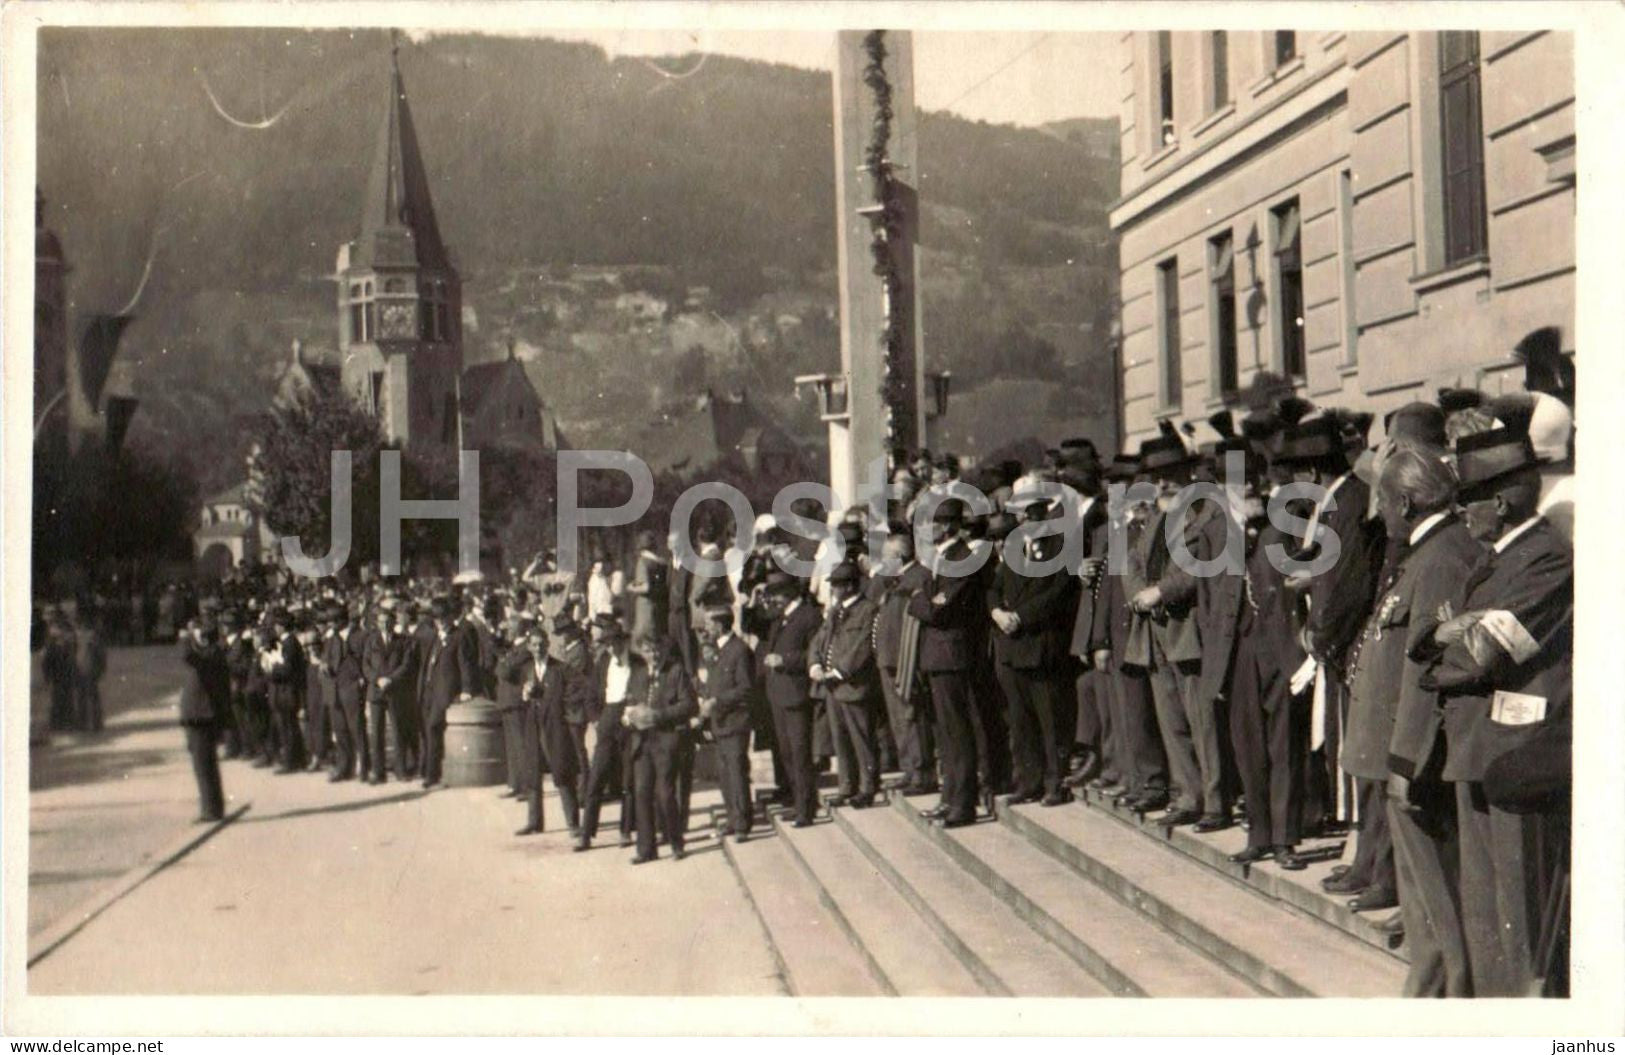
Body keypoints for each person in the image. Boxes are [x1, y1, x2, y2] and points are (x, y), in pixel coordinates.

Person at [1411, 427, 1573, 996]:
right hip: (1476, 747)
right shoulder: (1498, 559)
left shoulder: (1546, 559)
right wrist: (1441, 638)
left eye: (1467, 501)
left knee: (1520, 922)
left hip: (1512, 755)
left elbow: (1482, 654)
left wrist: (1437, 652)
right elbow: (1437, 630)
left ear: (1499, 503)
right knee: (1486, 920)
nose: (1461, 514)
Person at [1347, 446, 1482, 996]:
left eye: (1382, 500)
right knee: (1423, 901)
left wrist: (1406, 761)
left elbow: (1429, 670)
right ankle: (1426, 995)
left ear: (1404, 500)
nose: (1378, 513)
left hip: (1415, 760)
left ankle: (1453, 1001)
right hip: (1400, 754)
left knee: (1440, 901)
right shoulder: (1425, 554)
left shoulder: (1442, 558)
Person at [1124, 431, 1229, 832]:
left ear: (1186, 473)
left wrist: (1160, 591)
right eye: (1156, 476)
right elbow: (1132, 560)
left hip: (1189, 628)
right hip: (1154, 629)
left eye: (1168, 474)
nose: (1162, 482)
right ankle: (1188, 794)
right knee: (1172, 719)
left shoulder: (1207, 511)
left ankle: (1215, 802)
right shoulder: (1155, 516)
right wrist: (1139, 594)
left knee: (1202, 720)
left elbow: (1200, 566)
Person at [990, 495, 1080, 807]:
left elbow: (1059, 591)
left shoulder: (1061, 547)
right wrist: (997, 613)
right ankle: (1028, 781)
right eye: (1024, 516)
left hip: (1042, 645)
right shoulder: (1012, 550)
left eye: (1035, 514)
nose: (1029, 521)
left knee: (1050, 720)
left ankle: (1055, 782)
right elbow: (994, 587)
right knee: (1021, 720)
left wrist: (1021, 617)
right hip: (1012, 647)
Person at [908, 499, 985, 829]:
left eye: (934, 523)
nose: (928, 529)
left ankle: (963, 804)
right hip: (937, 654)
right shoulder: (940, 558)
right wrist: (925, 601)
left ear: (950, 525)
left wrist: (922, 602)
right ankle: (950, 796)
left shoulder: (962, 557)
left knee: (957, 730)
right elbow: (926, 600)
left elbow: (942, 608)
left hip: (952, 653)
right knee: (946, 732)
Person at [867, 529, 938, 796]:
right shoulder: (893, 579)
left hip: (905, 659)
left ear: (898, 556)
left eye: (887, 556)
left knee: (911, 716)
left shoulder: (919, 577)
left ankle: (922, 773)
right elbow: (873, 598)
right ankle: (909, 769)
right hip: (888, 656)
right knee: (898, 718)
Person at [809, 562, 882, 808]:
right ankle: (847, 786)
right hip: (832, 688)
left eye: (838, 585)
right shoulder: (834, 612)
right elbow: (819, 641)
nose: (834, 590)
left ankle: (867, 786)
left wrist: (838, 671)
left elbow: (863, 648)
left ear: (850, 586)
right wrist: (815, 665)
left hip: (853, 685)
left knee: (861, 738)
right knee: (840, 740)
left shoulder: (868, 610)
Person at [576, 616, 646, 852]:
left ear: (624, 642)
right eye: (608, 644)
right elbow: (590, 696)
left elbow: (644, 691)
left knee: (628, 779)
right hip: (607, 720)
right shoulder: (603, 663)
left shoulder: (637, 664)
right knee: (596, 778)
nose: (613, 648)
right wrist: (597, 720)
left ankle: (626, 831)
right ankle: (586, 835)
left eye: (616, 643)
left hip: (628, 721)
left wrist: (634, 710)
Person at [625, 639, 698, 863]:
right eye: (647, 650)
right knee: (641, 792)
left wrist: (659, 715)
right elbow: (628, 701)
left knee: (665, 794)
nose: (653, 655)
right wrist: (628, 716)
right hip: (641, 740)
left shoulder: (675, 672)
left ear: (663, 651)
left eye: (656, 649)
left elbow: (689, 705)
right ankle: (646, 850)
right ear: (642, 653)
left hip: (665, 739)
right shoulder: (637, 674)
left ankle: (676, 842)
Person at [760, 570, 823, 826]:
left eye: (774, 595)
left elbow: (814, 652)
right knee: (786, 754)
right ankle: (799, 803)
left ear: (787, 594)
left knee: (799, 754)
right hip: (778, 695)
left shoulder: (808, 616)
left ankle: (806, 808)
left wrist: (784, 660)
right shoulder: (780, 618)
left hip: (796, 695)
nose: (772, 601)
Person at [699, 608, 756, 841]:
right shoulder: (718, 651)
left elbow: (745, 689)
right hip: (720, 722)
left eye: (709, 624)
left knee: (736, 771)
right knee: (724, 774)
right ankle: (733, 818)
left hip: (735, 721)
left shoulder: (739, 650)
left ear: (720, 625)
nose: (706, 629)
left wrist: (717, 701)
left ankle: (742, 823)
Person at [416, 599, 475, 788]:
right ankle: (430, 770)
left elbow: (465, 665)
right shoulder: (433, 637)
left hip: (445, 691)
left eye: (443, 618)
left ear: (450, 617)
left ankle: (432, 775)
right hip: (428, 690)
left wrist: (466, 689)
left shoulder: (459, 636)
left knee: (433, 727)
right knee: (427, 730)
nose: (440, 622)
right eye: (436, 618)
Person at [178, 615, 230, 822]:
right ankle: (213, 807)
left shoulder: (212, 655)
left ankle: (211, 809)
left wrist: (186, 638)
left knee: (203, 765)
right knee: (205, 764)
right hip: (199, 715)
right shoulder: (212, 653)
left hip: (201, 716)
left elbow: (189, 657)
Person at [363, 603, 417, 783]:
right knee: (376, 733)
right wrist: (377, 679)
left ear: (394, 623)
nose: (384, 625)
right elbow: (366, 665)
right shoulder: (371, 640)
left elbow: (406, 664)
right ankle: (378, 772)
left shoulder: (402, 641)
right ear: (377, 623)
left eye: (388, 622)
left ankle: (400, 770)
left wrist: (391, 679)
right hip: (376, 690)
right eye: (381, 622)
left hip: (395, 691)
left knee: (398, 732)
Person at [326, 603, 369, 781]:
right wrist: (324, 665)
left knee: (357, 728)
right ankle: (344, 767)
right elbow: (327, 659)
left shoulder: (360, 637)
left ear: (341, 620)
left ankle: (365, 767)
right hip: (334, 688)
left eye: (332, 621)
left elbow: (366, 660)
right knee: (340, 729)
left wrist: (362, 679)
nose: (330, 625)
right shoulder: (331, 639)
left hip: (352, 687)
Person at [263, 609, 308, 773]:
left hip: (286, 692)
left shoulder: (289, 643)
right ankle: (298, 759)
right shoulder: (288, 641)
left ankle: (290, 762)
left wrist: (272, 669)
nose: (274, 628)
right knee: (290, 726)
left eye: (276, 625)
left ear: (281, 626)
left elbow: (288, 669)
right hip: (286, 691)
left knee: (287, 727)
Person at [626, 530, 670, 657]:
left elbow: (645, 587)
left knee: (641, 642)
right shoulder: (662, 563)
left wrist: (631, 588)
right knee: (657, 642)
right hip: (659, 607)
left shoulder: (643, 562)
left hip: (646, 607)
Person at [71, 604, 107, 733]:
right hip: (85, 669)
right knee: (88, 697)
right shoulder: (84, 637)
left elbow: (100, 655)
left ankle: (89, 723)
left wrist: (100, 668)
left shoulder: (90, 637)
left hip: (86, 669)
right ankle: (90, 723)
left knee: (87, 697)